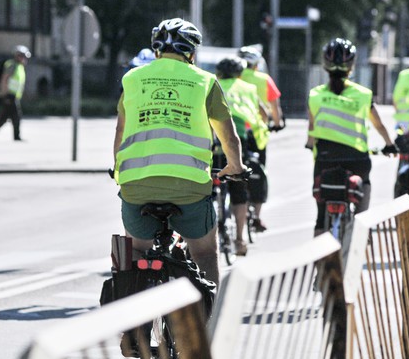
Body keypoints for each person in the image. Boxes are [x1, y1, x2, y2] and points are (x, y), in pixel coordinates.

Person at [113, 17, 245, 288]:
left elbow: (120, 132)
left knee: (136, 250)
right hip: (190, 188)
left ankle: (132, 321)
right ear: (191, 53)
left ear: (157, 50)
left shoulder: (132, 79)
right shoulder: (205, 81)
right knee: (205, 252)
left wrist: (118, 172)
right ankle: (207, 326)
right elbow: (228, 135)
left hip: (137, 186)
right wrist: (235, 166)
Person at [306, 37, 398, 236]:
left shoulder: (315, 94)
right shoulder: (363, 94)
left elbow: (312, 128)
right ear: (352, 66)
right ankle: (360, 230)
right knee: (364, 185)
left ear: (325, 65)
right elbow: (379, 125)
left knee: (321, 210)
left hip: (325, 158)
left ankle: (320, 257)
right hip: (357, 159)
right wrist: (390, 145)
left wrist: (309, 143)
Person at [214, 56, 268, 256]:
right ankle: (239, 239)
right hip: (238, 140)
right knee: (239, 187)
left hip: (212, 140)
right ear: (239, 74)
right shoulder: (247, 88)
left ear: (219, 73)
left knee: (211, 183)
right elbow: (262, 114)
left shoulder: (212, 84)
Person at [238, 45, 284, 232]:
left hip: (236, 131)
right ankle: (256, 216)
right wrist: (277, 124)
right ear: (257, 65)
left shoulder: (234, 78)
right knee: (259, 171)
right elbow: (274, 108)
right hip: (257, 133)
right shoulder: (264, 80)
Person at [0, 45, 31, 141]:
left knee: (4, 117)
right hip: (9, 95)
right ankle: (16, 136)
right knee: (16, 116)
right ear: (17, 56)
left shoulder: (20, 67)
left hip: (14, 95)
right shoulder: (12, 65)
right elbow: (5, 79)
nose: (24, 59)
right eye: (23, 56)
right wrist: (4, 93)